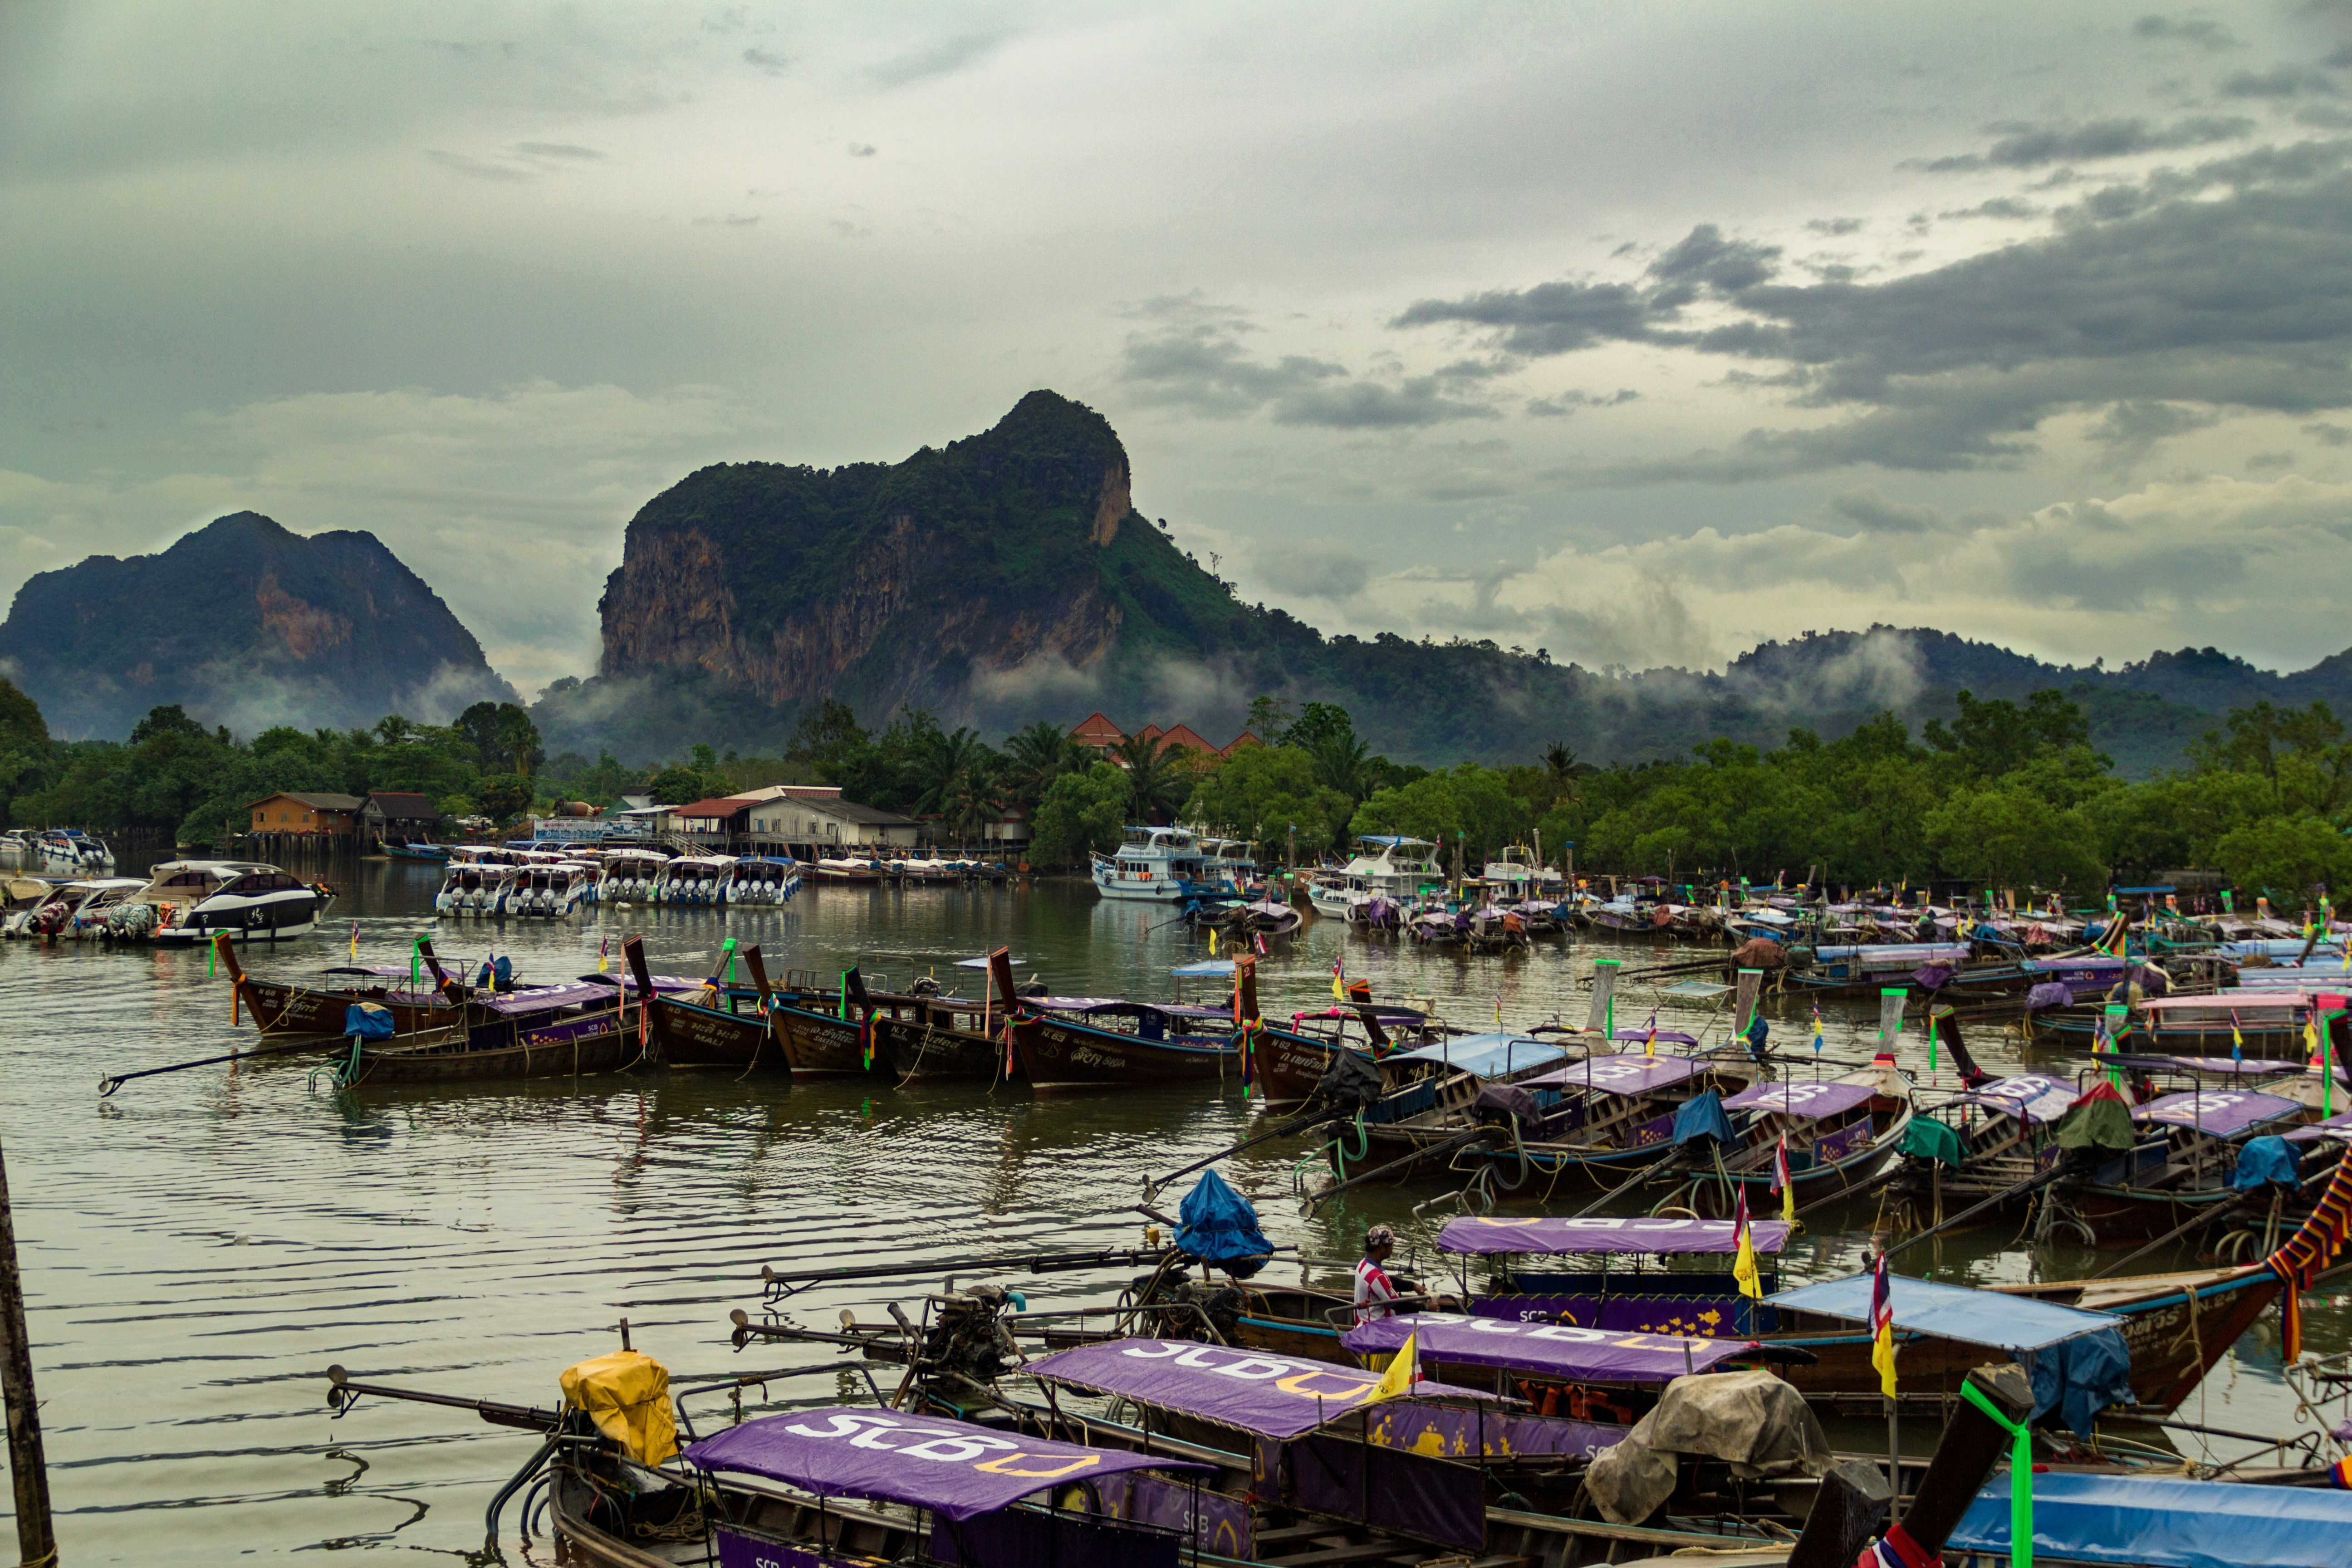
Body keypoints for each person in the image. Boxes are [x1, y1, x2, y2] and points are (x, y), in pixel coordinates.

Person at [1353, 1225, 1402, 1323]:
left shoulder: (1364, 1264)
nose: (1392, 1249)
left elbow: (1385, 1282)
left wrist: (1412, 1286)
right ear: (1381, 1248)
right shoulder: (1376, 1276)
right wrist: (1425, 1307)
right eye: (1391, 1245)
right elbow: (1398, 1305)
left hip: (1363, 1323)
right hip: (1376, 1330)